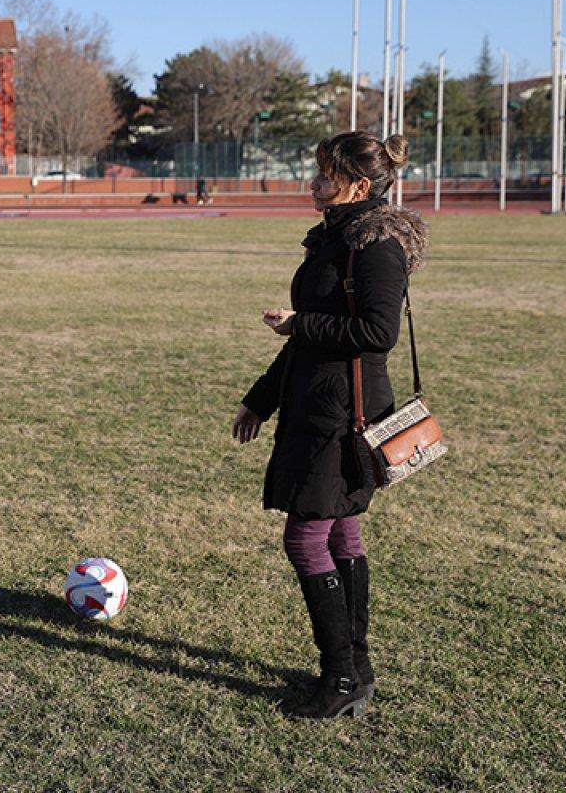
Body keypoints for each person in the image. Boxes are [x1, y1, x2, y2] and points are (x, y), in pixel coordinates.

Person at [231, 131, 428, 719]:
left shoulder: (375, 247)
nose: (313, 183)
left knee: (306, 538)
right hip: (314, 404)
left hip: (346, 414)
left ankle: (340, 677)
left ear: (359, 187)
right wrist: (260, 400)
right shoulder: (332, 240)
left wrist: (300, 325)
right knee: (340, 534)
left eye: (324, 175)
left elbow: (376, 334)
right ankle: (355, 669)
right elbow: (309, 336)